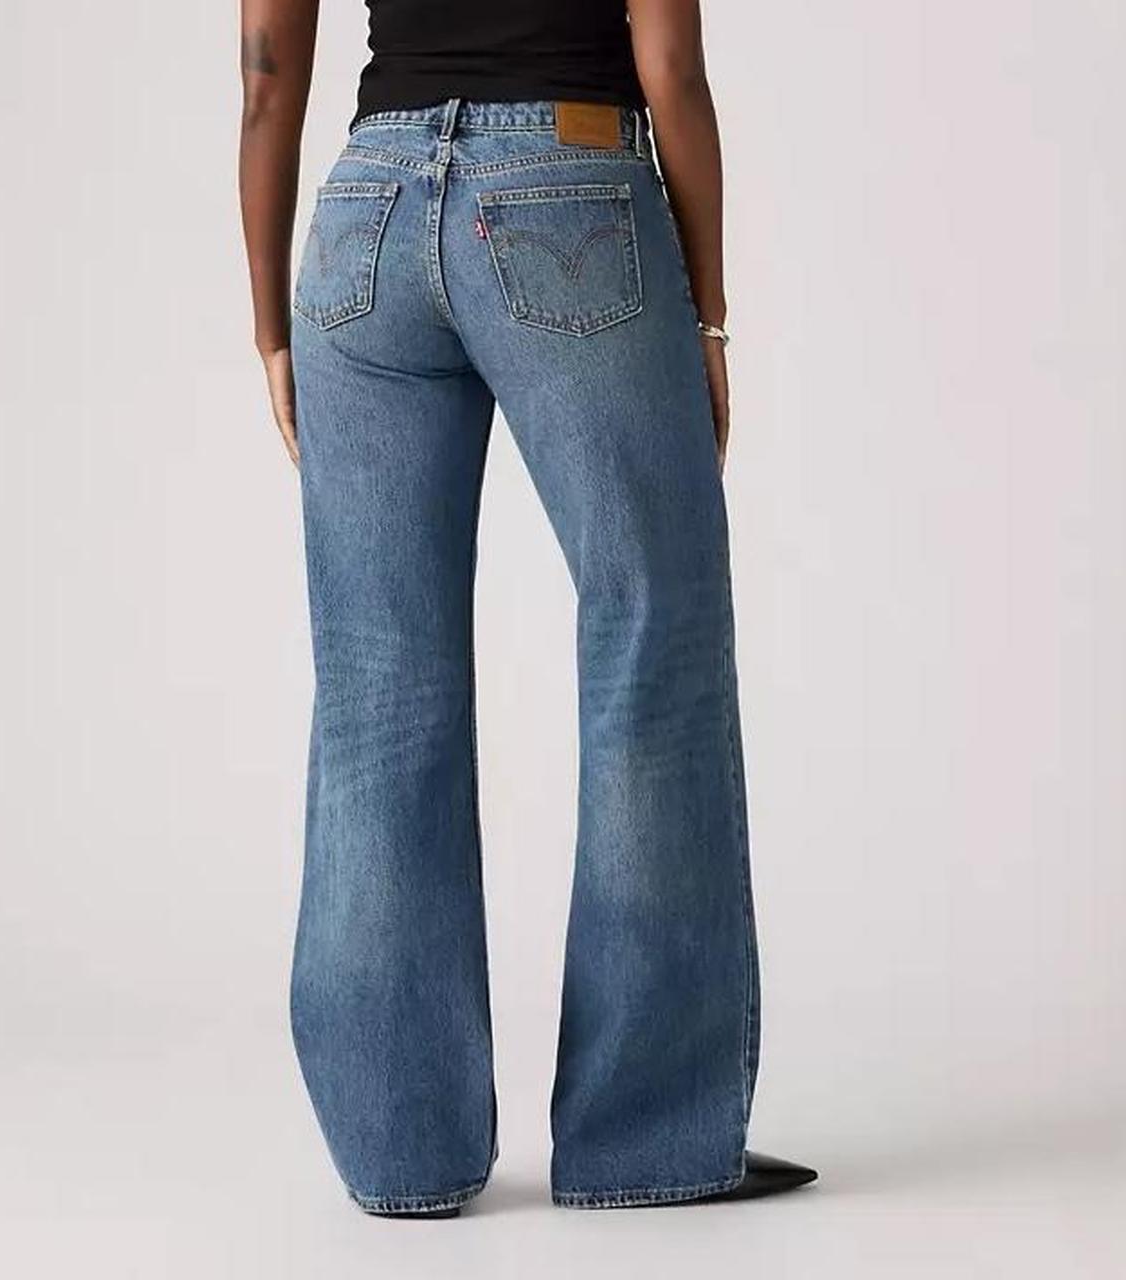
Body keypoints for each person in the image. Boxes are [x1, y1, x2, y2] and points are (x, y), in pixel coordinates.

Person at [238, 0, 817, 1216]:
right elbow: (669, 64)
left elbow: (267, 78)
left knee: (378, 686)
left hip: (362, 218)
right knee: (648, 640)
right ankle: (645, 1137)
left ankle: (398, 1148)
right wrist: (707, 314)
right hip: (570, 189)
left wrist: (267, 328)